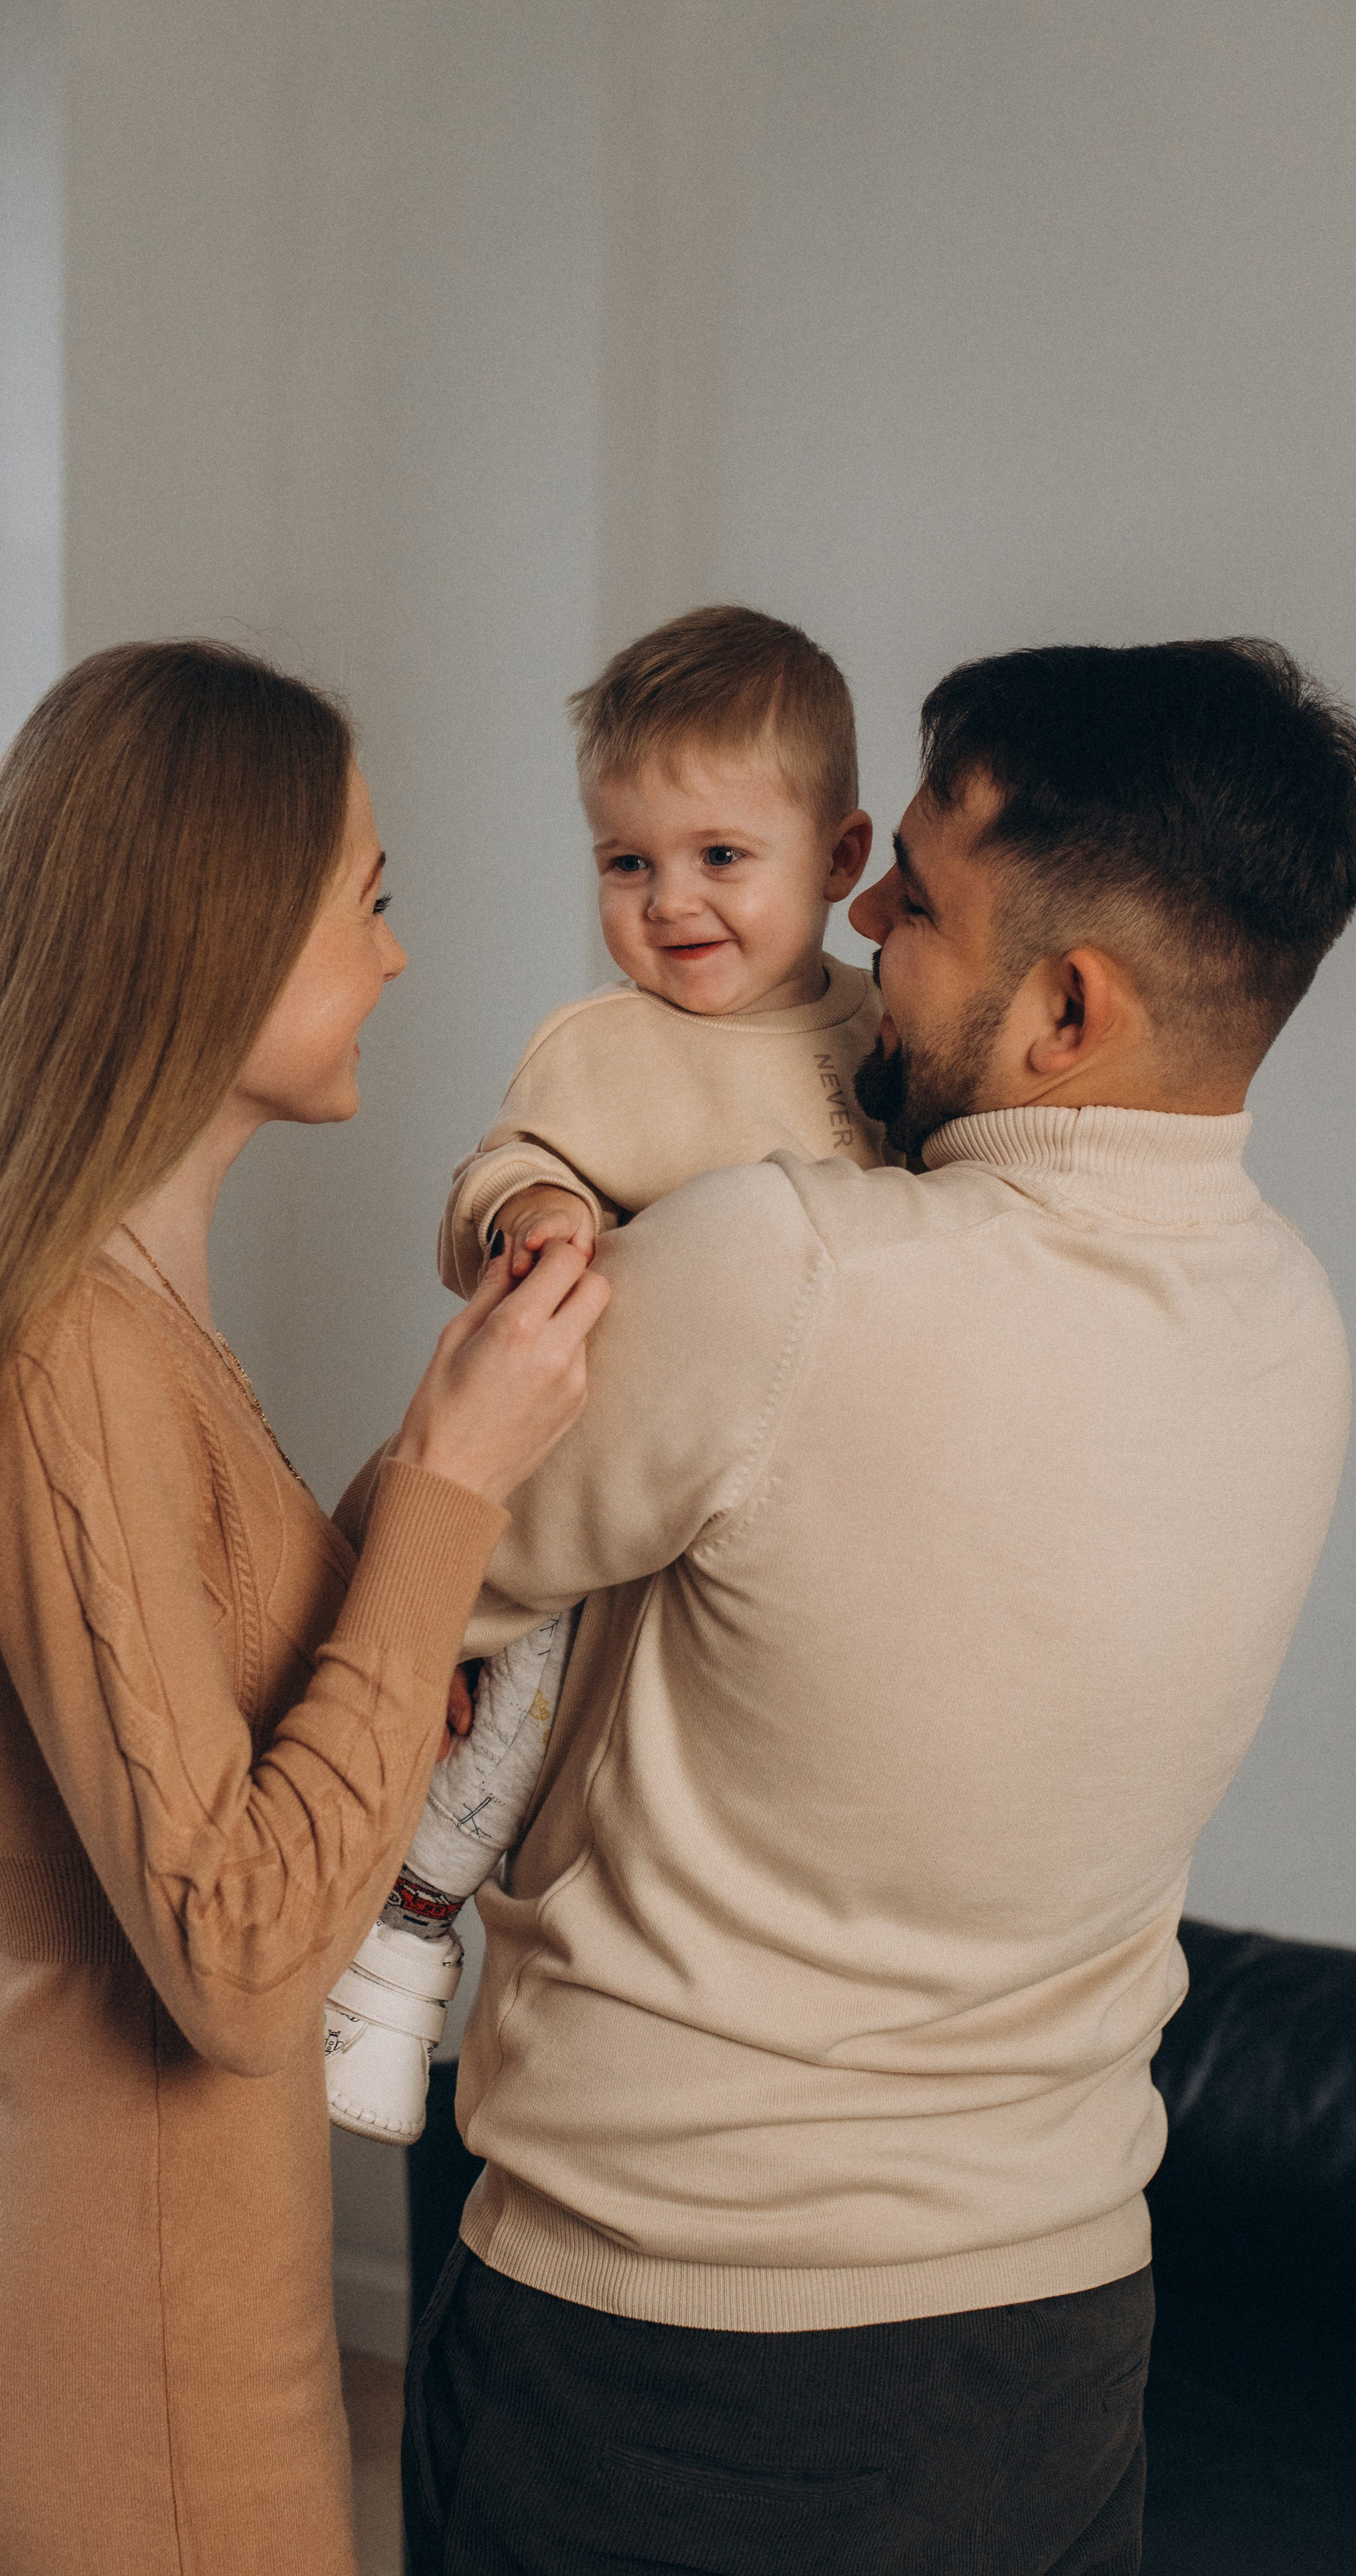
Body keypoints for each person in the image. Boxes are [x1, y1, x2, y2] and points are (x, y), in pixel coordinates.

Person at [393, 638, 1355, 2575]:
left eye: (913, 896)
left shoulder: (785, 1271)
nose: (852, 918)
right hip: (1062, 2346)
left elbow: (409, 1571)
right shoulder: (1298, 1327)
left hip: (664, 2352)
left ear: (1067, 1009)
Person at [0, 641, 608, 2576]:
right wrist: (450, 1490)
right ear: (214, 936)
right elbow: (231, 1959)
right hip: (128, 2300)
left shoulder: (115, 1314)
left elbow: (201, 1701)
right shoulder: (64, 1356)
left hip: (149, 2244)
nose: (393, 952)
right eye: (363, 899)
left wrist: (450, 1438)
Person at [325, 607, 885, 2142]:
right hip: (588, 1459)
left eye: (719, 856)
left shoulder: (887, 1041)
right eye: (624, 863)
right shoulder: (598, 1045)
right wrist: (536, 1209)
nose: (668, 903)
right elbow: (496, 1167)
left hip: (785, 1486)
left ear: (840, 859)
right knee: (507, 1710)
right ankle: (400, 1943)